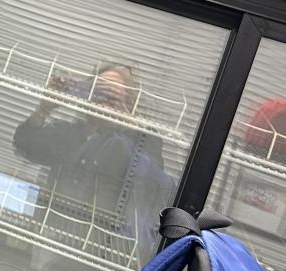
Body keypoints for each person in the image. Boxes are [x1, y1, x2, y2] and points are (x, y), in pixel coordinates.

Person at [12, 63, 172, 259]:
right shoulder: (70, 133)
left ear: (129, 105)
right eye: (97, 94)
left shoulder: (141, 140)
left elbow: (151, 180)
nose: (102, 103)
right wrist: (43, 109)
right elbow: (24, 145)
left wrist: (126, 123)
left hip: (105, 248)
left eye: (111, 99)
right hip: (54, 236)